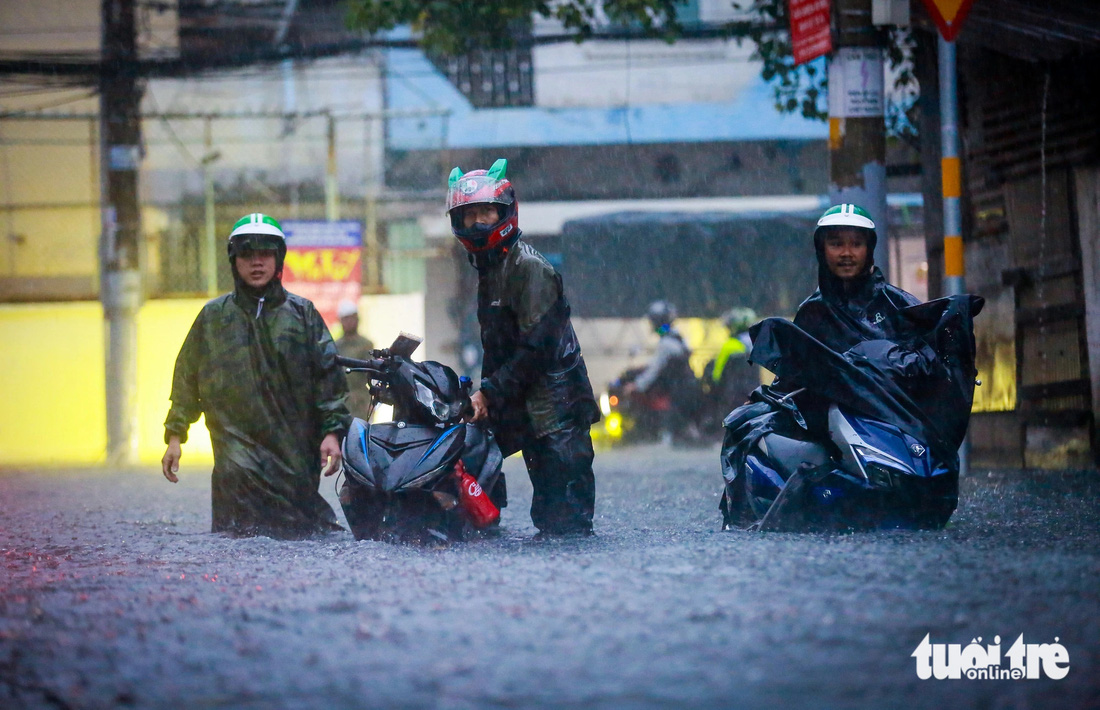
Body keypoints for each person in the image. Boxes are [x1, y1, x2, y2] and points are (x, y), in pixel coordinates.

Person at [161, 213, 351, 539]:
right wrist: (175, 436)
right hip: (235, 453)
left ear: (278, 259)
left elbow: (328, 378)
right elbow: (187, 379)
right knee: (236, 536)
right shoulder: (213, 318)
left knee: (302, 536)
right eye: (247, 255)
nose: (256, 263)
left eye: (265, 254)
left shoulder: (302, 314)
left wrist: (332, 432)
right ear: (234, 261)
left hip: (294, 450)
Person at [448, 158, 600, 536]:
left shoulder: (528, 267)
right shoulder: (491, 269)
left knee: (565, 525)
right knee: (543, 520)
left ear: (505, 212)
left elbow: (536, 348)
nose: (479, 221)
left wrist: (490, 393)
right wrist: (484, 398)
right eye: (470, 214)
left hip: (557, 414)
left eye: (486, 211)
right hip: (527, 409)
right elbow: (498, 349)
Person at [792, 203, 921, 353]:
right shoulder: (811, 313)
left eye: (856, 244)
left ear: (869, 249)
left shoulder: (898, 304)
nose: (847, 253)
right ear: (822, 250)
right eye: (836, 244)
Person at [625, 300, 702, 443]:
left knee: (670, 432)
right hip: (690, 389)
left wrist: (635, 386)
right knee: (688, 430)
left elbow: (654, 370)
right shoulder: (678, 338)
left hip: (680, 393)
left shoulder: (666, 344)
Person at [335, 299, 375, 420]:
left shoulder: (366, 344)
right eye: (346, 319)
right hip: (341, 401)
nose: (350, 322)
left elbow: (371, 373)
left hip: (361, 401)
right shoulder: (335, 345)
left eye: (352, 318)